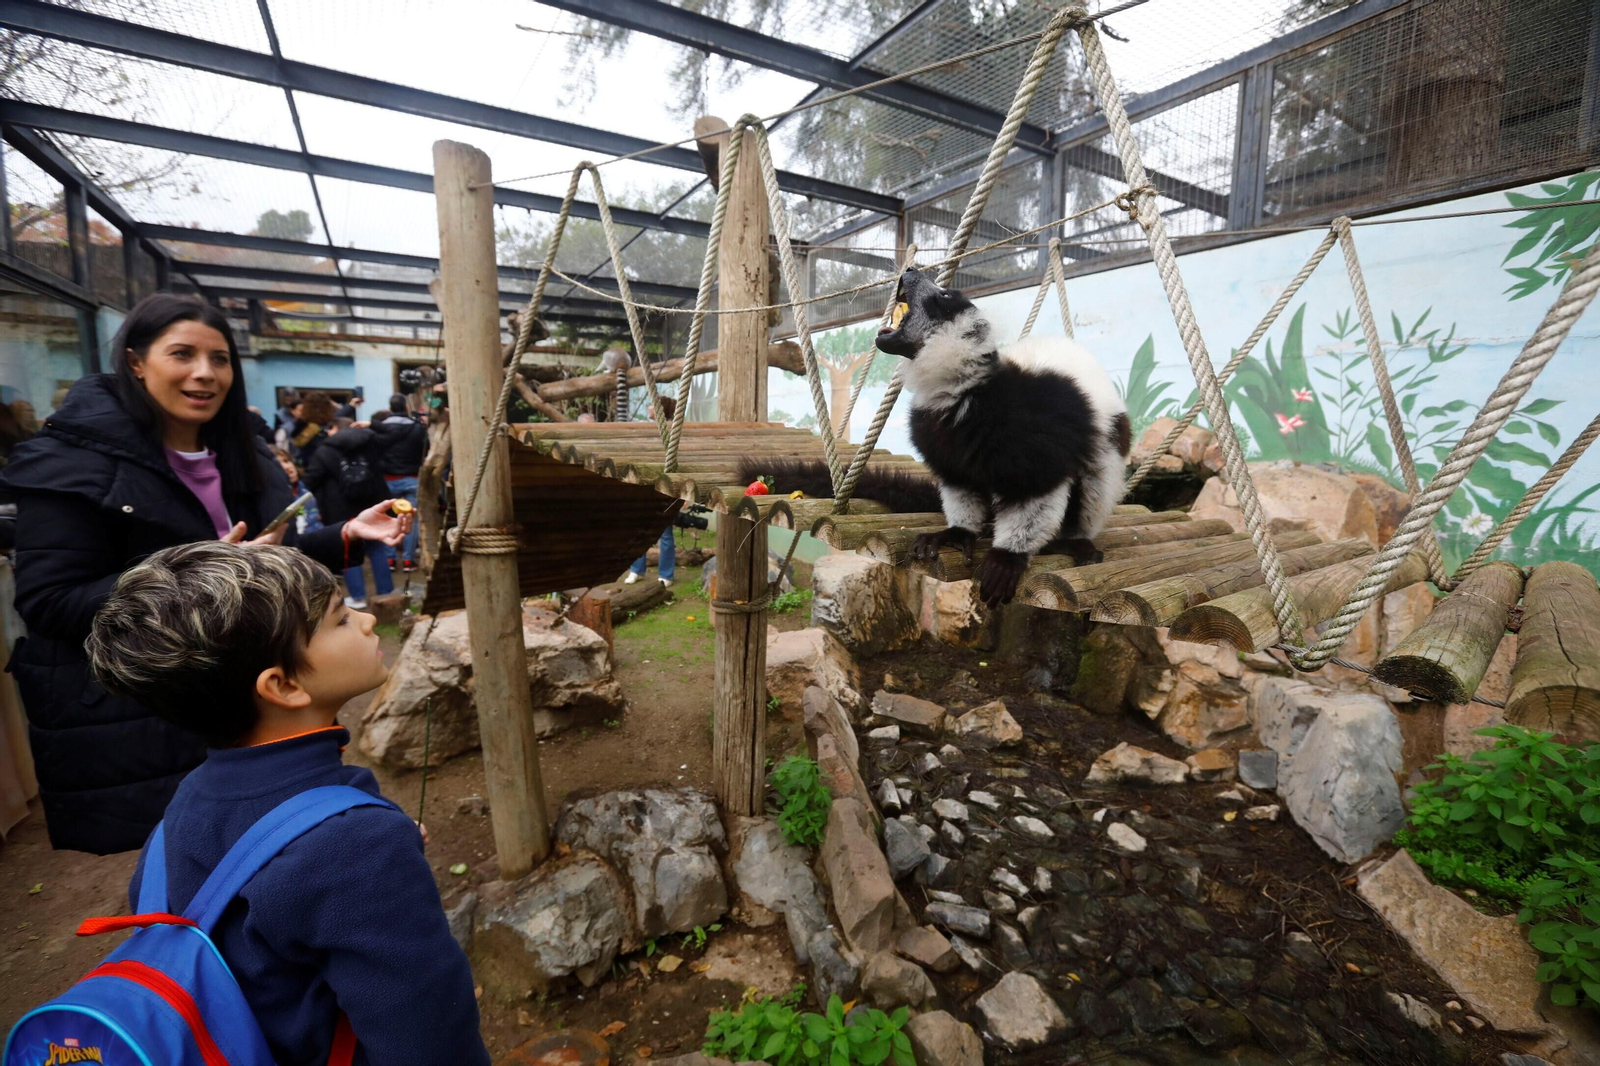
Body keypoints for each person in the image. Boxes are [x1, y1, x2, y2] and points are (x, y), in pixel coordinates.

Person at [0, 293, 410, 855]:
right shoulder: (73, 464)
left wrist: (342, 534)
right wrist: (194, 571)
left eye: (219, 359)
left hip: (248, 700)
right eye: (182, 354)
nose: (204, 373)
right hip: (147, 709)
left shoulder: (240, 454)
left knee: (271, 848)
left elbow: (260, 558)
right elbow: (50, 600)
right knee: (193, 860)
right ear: (136, 361)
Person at [86, 541, 489, 1065]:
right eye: (341, 619)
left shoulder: (188, 800)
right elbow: (431, 1044)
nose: (368, 621)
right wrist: (367, 850)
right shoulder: (352, 844)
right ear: (284, 685)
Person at [304, 417, 393, 609]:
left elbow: (312, 479)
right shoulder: (370, 443)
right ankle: (386, 593)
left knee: (346, 550)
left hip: (339, 510)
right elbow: (393, 433)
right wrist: (371, 424)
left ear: (335, 428)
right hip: (372, 506)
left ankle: (358, 597)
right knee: (377, 549)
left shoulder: (324, 450)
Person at [623, 394, 676, 586]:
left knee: (665, 533)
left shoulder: (671, 431)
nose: (648, 408)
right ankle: (637, 569)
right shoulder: (645, 429)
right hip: (643, 485)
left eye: (652, 406)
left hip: (663, 486)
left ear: (660, 409)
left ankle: (666, 574)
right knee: (638, 529)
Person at [371, 393, 427, 571]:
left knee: (389, 518)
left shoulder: (380, 429)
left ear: (390, 409)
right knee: (412, 519)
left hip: (388, 480)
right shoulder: (417, 428)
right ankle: (409, 560)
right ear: (405, 408)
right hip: (412, 478)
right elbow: (425, 449)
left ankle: (390, 560)